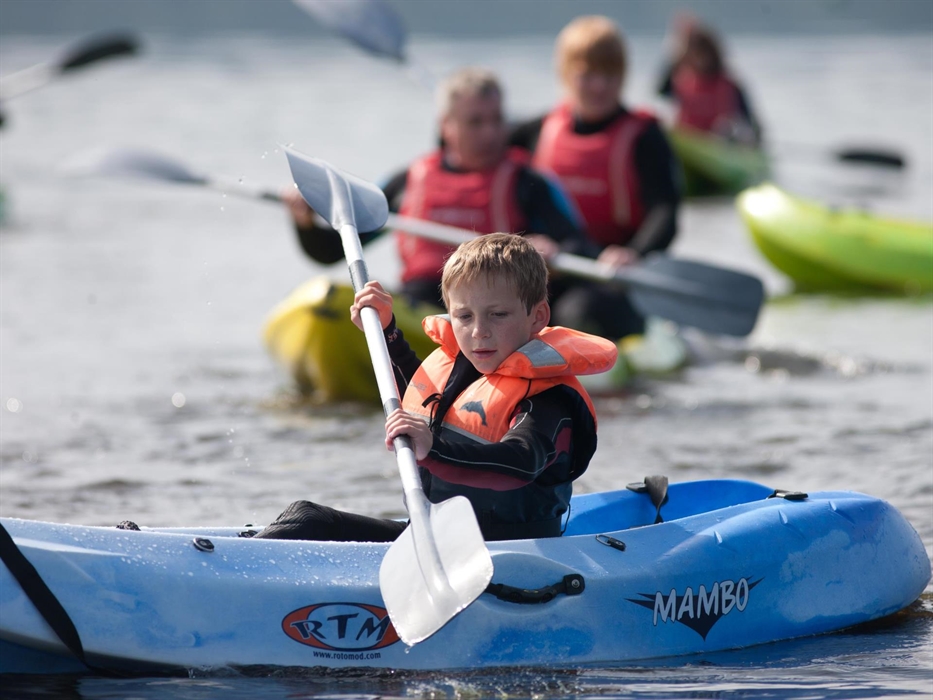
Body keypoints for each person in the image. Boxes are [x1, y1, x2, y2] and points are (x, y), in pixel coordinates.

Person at [255, 234, 617, 542]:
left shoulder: (549, 398)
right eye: (465, 316)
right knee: (307, 518)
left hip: (509, 551)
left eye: (498, 315)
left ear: (537, 317)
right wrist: (386, 333)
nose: (479, 332)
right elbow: (423, 395)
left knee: (310, 524)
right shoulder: (463, 364)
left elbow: (519, 462)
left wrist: (434, 448)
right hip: (436, 538)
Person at [283, 67, 590, 309]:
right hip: (422, 304)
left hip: (494, 316)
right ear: (446, 125)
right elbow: (334, 251)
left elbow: (582, 247)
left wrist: (552, 250)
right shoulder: (408, 181)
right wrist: (303, 222)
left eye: (497, 120)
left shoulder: (529, 183)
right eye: (475, 122)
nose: (491, 133)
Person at [509, 15, 681, 339]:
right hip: (553, 270)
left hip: (615, 275)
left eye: (610, 75)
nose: (600, 86)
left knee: (578, 312)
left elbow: (665, 211)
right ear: (566, 75)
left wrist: (635, 253)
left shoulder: (645, 137)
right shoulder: (534, 132)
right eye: (587, 75)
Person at [657, 14, 762, 146]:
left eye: (702, 54)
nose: (699, 60)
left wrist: (754, 141)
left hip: (717, 141)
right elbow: (661, 91)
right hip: (688, 139)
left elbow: (751, 122)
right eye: (694, 54)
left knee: (730, 129)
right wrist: (678, 49)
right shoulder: (681, 81)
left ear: (712, 53)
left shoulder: (729, 86)